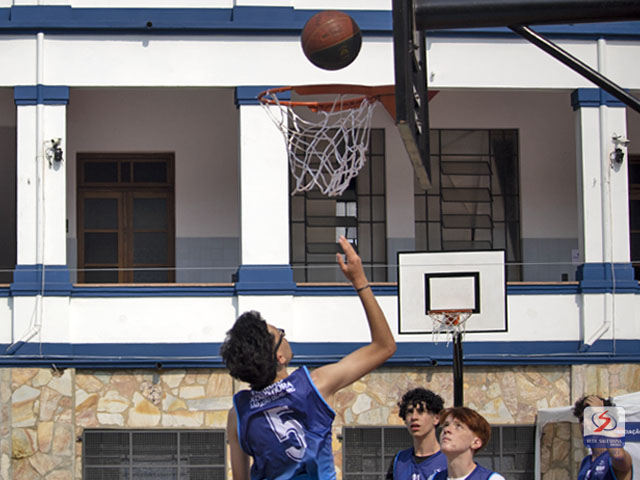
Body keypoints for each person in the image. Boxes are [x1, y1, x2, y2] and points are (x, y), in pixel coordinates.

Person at [220, 235, 397, 480]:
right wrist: (360, 281)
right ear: (280, 357)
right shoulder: (315, 386)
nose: (284, 335)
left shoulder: (238, 414)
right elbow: (385, 346)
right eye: (280, 334)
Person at [429, 407, 505, 480]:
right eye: (446, 425)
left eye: (458, 426)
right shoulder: (433, 478)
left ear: (476, 442)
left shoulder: (492, 478)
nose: (446, 429)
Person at [387, 388, 447, 480]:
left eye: (421, 411)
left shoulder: (449, 460)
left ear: (436, 418)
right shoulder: (399, 461)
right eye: (410, 412)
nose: (414, 417)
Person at [573, 395, 633, 480]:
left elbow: (618, 456)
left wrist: (600, 412)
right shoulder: (586, 462)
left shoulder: (612, 458)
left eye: (592, 417)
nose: (585, 424)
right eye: (582, 419)